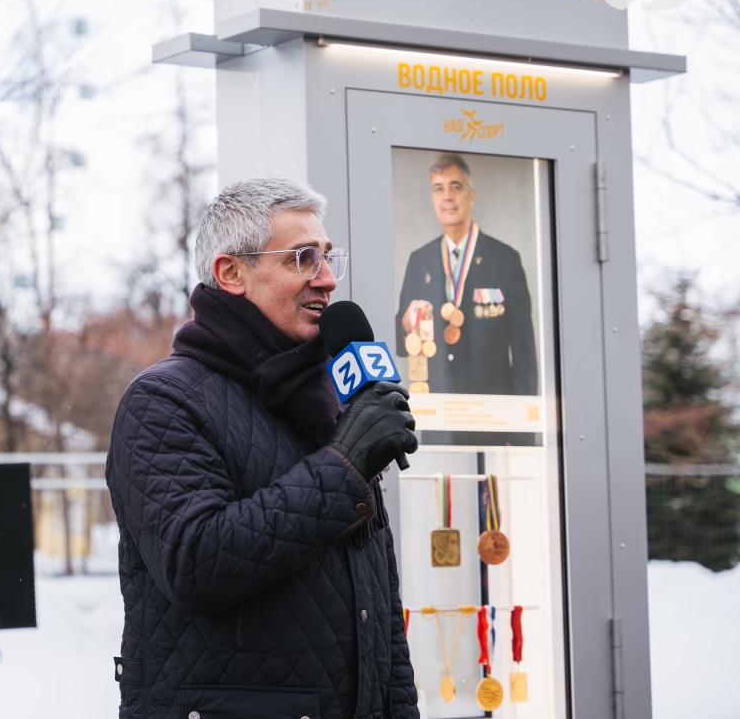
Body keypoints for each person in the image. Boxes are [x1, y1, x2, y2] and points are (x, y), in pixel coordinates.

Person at [106, 177, 419, 719]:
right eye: (303, 258)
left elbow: (380, 610)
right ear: (232, 273)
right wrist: (342, 469)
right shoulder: (163, 400)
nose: (327, 280)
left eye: (327, 257)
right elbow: (194, 564)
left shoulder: (328, 401)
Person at [395, 153, 537, 396]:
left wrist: (522, 421)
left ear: (471, 196)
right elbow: (400, 345)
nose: (447, 197)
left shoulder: (505, 260)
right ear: (432, 198)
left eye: (455, 187)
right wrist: (405, 325)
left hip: (491, 413)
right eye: (439, 189)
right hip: (437, 411)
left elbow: (525, 354)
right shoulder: (419, 260)